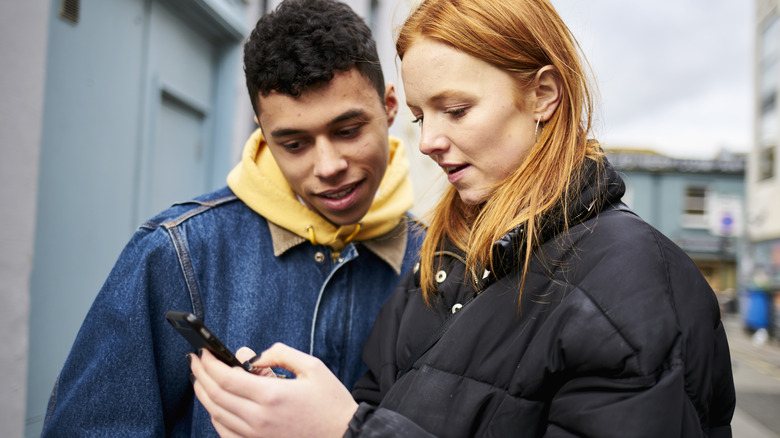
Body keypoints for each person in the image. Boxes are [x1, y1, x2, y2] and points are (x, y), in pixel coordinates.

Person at [189, 0, 737, 436]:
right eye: (422, 115)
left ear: (543, 93)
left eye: (455, 110)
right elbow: (376, 402)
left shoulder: (638, 280)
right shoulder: (445, 254)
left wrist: (343, 431)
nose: (427, 141)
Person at [40, 0, 423, 435]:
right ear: (262, 131)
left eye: (348, 130)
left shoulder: (439, 262)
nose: (328, 165)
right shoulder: (178, 252)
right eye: (294, 144)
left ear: (390, 106)